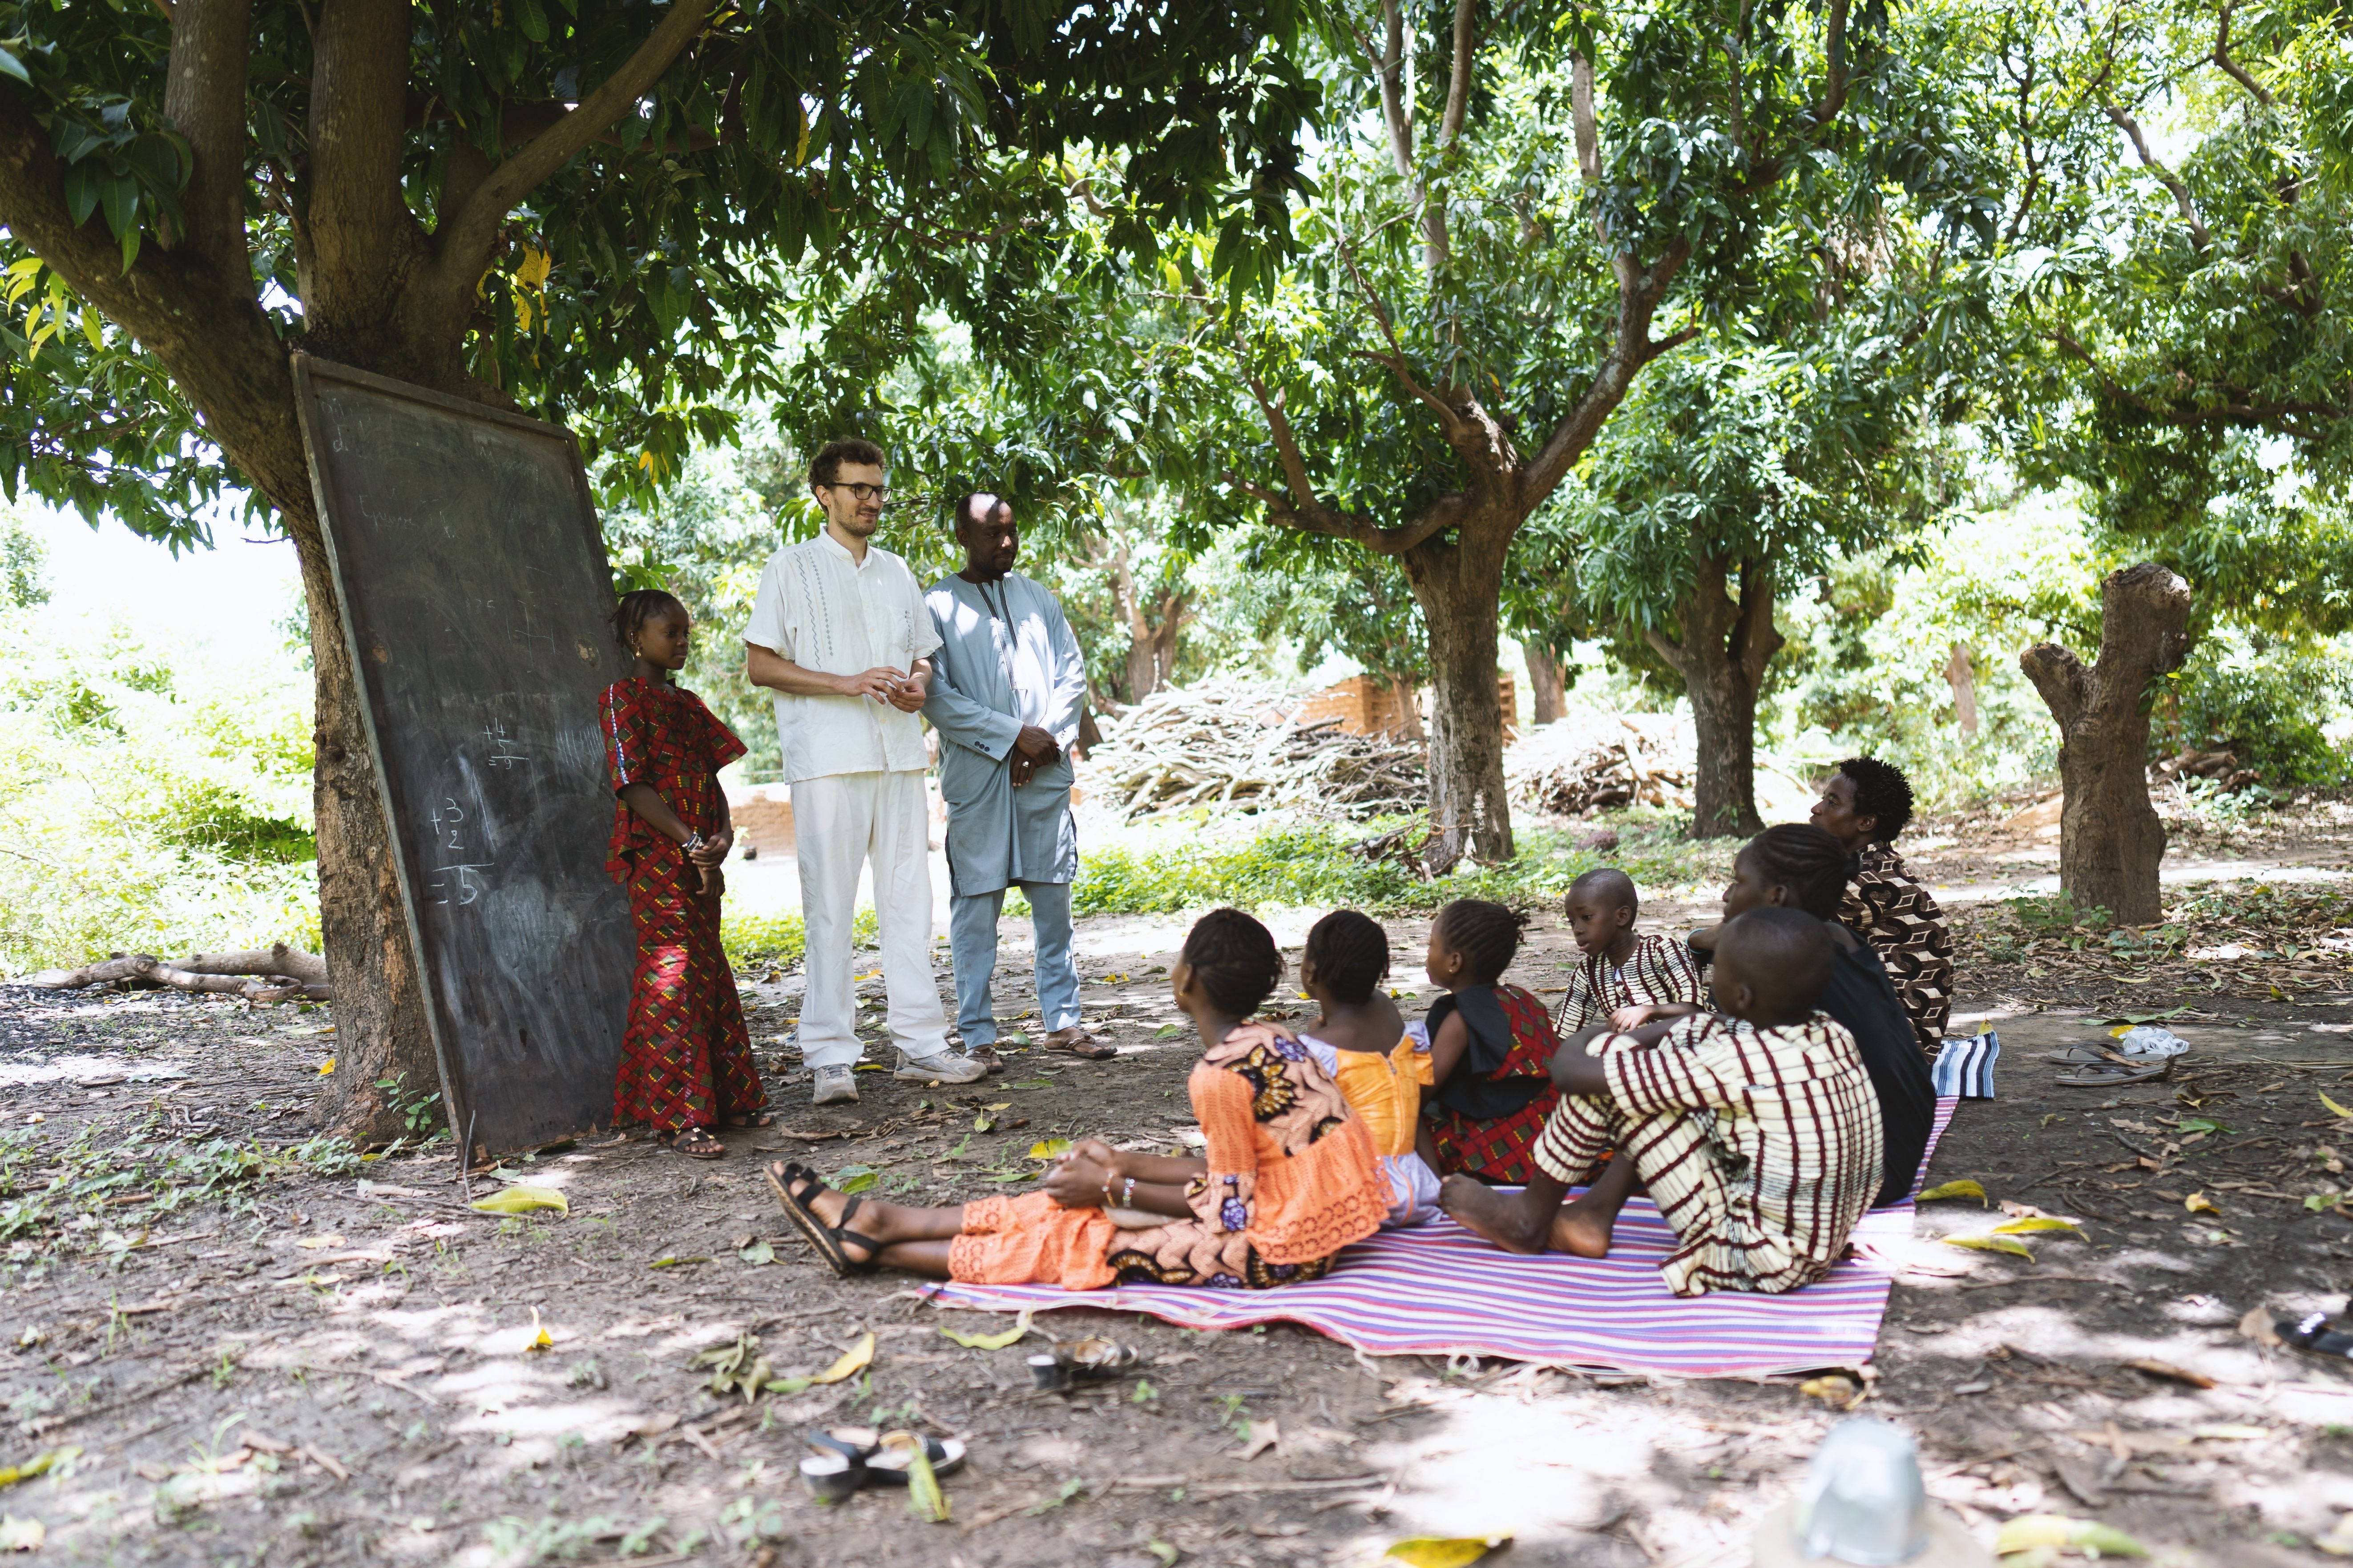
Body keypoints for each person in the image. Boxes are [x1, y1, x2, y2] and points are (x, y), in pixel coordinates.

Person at [762, 908, 1390, 1287]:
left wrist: (1111, 1191)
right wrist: (1123, 1163)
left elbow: (1229, 1212)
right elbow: (1235, 1171)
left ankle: (884, 1249)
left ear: (1187, 980)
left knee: (1081, 1236)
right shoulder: (1273, 1040)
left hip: (1283, 1250)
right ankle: (880, 1223)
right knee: (1063, 1203)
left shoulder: (1220, 1075)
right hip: (1293, 1215)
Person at [1439, 908, 1884, 1298]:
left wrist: (1598, 1040)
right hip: (1817, 1240)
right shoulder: (1824, 1031)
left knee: (1609, 1075)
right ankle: (1590, 1217)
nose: (1710, 979)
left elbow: (1570, 1074)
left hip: (1756, 1259)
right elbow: (1697, 1029)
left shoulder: (1732, 1061)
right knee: (1649, 1077)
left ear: (1743, 995)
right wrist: (1630, 1040)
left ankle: (1529, 1218)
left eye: (1718, 970)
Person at [743, 438, 984, 1104]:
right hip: (826, 758)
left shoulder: (896, 570)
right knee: (830, 909)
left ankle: (921, 1045)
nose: (871, 500)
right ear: (824, 493)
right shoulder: (789, 568)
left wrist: (916, 685)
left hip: (899, 755)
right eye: (858, 489)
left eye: (877, 489)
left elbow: (922, 658)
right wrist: (845, 682)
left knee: (911, 903)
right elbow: (761, 664)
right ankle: (829, 1057)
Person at [1649, 824, 1935, 1208]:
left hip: (1859, 1175)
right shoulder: (1838, 938)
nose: (1726, 894)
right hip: (1901, 1148)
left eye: (1737, 882)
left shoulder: (1773, 966)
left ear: (1776, 897)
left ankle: (1595, 1209)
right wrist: (1707, 937)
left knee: (1659, 1096)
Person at [921, 492, 1111, 1068]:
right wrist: (1010, 737)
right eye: (991, 534)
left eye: (1011, 531)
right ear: (962, 536)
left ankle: (1064, 1021)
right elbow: (935, 697)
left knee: (1054, 902)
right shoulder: (934, 606)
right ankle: (978, 1034)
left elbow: (1071, 675)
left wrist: (1043, 738)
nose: (1005, 543)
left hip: (1044, 775)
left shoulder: (1039, 598)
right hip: (978, 780)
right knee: (976, 906)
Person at [598, 590, 770, 1158]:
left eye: (685, 633)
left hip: (701, 856)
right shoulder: (621, 700)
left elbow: (710, 778)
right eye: (669, 633)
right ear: (635, 639)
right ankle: (679, 1120)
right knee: (669, 972)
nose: (681, 643)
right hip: (656, 855)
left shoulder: (689, 704)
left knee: (705, 963)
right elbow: (632, 785)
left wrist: (720, 838)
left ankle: (729, 1099)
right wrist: (691, 840)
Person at [1295, 910, 1439, 1228]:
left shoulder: (1315, 1051)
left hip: (1360, 1197)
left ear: (1310, 971)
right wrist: (1439, 1187)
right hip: (1419, 1186)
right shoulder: (1390, 1013)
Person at [1811, 757, 1955, 1057]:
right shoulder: (1868, 866)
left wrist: (1697, 939)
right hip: (1890, 1036)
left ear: (1865, 822)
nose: (1816, 809)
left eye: (1832, 802)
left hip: (1898, 1048)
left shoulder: (1868, 880)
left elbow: (1778, 928)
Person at [1417, 900, 1562, 1185]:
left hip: (1494, 1153)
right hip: (1552, 1140)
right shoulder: (1525, 1000)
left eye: (1431, 945)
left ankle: (1436, 1184)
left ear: (1454, 962)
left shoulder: (1459, 1019)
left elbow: (1420, 1093)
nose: (1427, 953)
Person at [1554, 868, 1705, 1034]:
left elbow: (1694, 1010)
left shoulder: (1664, 949)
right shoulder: (1587, 972)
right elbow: (1567, 1034)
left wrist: (1648, 1010)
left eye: (1587, 917)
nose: (1577, 929)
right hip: (1637, 1050)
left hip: (1688, 1039)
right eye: (1572, 922)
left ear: (1622, 917)